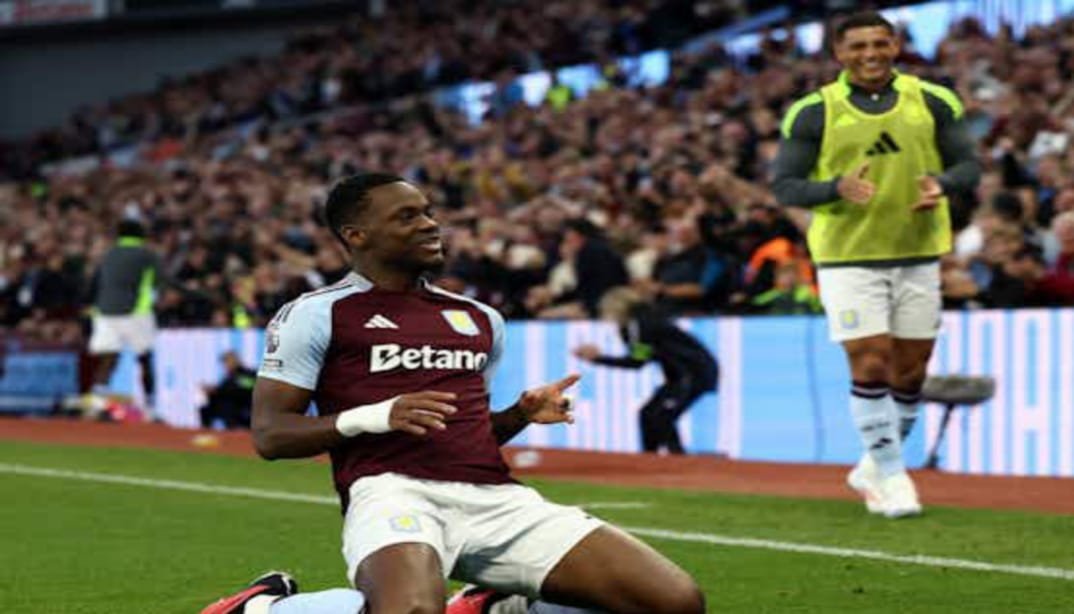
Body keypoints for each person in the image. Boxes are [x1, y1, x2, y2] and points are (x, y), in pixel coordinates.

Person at [201, 174, 704, 614]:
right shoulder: (316, 313)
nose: (428, 224)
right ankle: (264, 607)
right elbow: (270, 435)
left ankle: (497, 607)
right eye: (406, 216)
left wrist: (518, 415)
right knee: (415, 609)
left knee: (674, 601)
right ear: (357, 235)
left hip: (496, 497)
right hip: (391, 489)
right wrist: (374, 416)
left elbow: (467, 433)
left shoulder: (479, 319)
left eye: (427, 212)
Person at [771, 12, 981, 517]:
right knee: (870, 360)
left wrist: (944, 185)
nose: (871, 54)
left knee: (911, 372)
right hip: (848, 257)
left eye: (880, 43)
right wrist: (834, 189)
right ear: (839, 53)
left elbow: (968, 165)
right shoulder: (813, 112)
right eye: (858, 45)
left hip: (918, 252)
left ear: (896, 45)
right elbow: (785, 186)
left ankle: (872, 464)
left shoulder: (933, 99)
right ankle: (893, 477)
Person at [572, 287, 718, 455]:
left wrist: (597, 358)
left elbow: (637, 361)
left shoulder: (640, 323)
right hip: (681, 373)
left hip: (693, 372)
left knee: (662, 416)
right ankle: (650, 459)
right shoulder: (638, 323)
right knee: (649, 414)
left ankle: (674, 459)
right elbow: (641, 357)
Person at [85, 219, 163, 420]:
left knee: (107, 360)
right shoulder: (147, 254)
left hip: (105, 313)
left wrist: (89, 304)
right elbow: (160, 280)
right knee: (144, 359)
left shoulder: (108, 255)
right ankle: (150, 408)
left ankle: (96, 404)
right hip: (136, 312)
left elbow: (94, 281)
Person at [199, 351, 257, 430]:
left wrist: (218, 390)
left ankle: (233, 433)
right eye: (225, 363)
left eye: (227, 361)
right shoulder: (229, 377)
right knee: (205, 408)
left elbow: (244, 388)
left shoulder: (248, 374)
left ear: (235, 360)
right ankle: (207, 432)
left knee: (228, 406)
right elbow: (223, 390)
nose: (226, 365)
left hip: (244, 406)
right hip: (228, 406)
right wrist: (211, 391)